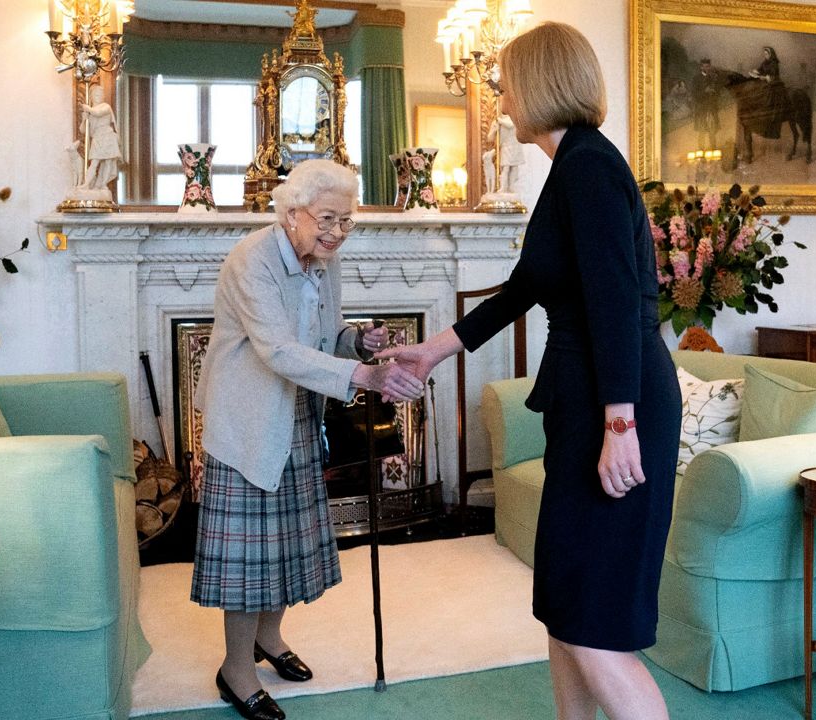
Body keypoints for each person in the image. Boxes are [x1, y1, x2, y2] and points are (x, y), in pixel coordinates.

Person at [378, 22, 680, 720]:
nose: (500, 94)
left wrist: (620, 423)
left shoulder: (590, 168)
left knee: (597, 623)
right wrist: (434, 349)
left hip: (617, 405)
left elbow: (613, 305)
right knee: (568, 605)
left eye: (507, 80)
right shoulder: (571, 166)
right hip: (589, 406)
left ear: (541, 82)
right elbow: (524, 287)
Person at [191, 159, 425, 720]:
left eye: (347, 221)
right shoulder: (252, 259)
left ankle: (269, 641)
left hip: (297, 414)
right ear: (291, 213)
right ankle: (236, 671)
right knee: (249, 558)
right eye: (327, 219)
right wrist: (363, 377)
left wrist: (355, 341)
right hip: (248, 420)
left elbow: (321, 336)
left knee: (285, 547)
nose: (337, 232)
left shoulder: (324, 262)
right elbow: (276, 349)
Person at [79, 84, 123, 190]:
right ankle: (86, 184)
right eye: (96, 95)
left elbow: (98, 113)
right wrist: (84, 119)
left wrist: (88, 108)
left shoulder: (105, 107)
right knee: (94, 162)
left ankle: (103, 184)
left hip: (107, 136)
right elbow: (83, 131)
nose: (99, 96)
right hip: (97, 138)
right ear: (92, 96)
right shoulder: (90, 111)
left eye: (100, 94)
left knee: (108, 161)